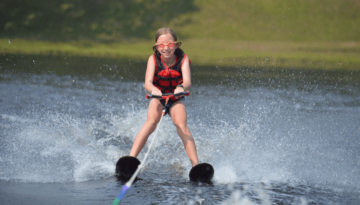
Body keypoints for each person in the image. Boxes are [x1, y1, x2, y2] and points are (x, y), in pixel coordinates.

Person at [129, 27, 199, 167]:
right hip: (158, 96)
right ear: (156, 47)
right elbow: (147, 83)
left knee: (181, 125)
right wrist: (154, 89)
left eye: (170, 44)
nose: (166, 48)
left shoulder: (183, 59)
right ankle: (130, 160)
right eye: (161, 45)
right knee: (151, 122)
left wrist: (181, 87)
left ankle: (196, 166)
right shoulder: (152, 59)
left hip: (176, 96)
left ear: (176, 45)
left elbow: (187, 81)